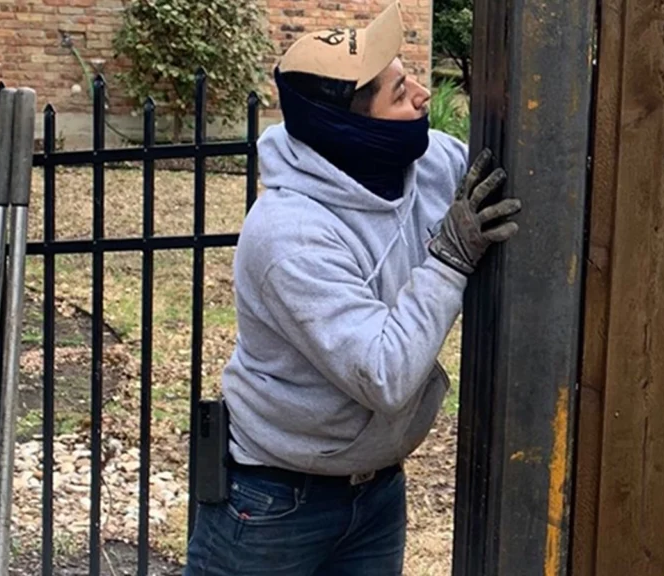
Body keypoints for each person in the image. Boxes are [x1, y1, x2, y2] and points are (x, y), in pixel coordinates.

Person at [183, 2, 521, 574]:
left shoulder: (431, 164)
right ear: (349, 125)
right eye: (397, 92)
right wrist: (449, 258)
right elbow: (383, 374)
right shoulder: (288, 234)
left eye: (409, 76)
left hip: (377, 491)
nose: (421, 94)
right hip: (272, 501)